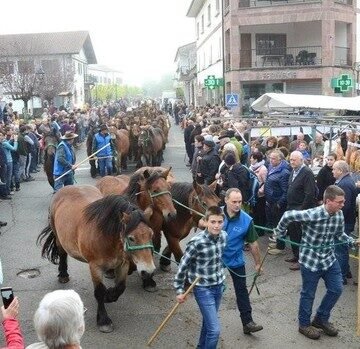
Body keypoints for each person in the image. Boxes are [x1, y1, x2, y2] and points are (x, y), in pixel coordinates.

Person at [273, 185, 359, 340]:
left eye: (343, 202)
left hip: (328, 259)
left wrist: (352, 242)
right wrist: (279, 233)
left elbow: (339, 235)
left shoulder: (339, 215)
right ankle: (304, 324)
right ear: (328, 201)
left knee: (337, 289)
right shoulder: (312, 214)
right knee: (308, 294)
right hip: (310, 261)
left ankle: (320, 319)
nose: (343, 205)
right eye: (339, 202)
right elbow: (287, 215)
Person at [174, 206, 227, 349]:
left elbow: (219, 260)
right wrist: (179, 290)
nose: (216, 226)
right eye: (213, 222)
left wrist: (222, 278)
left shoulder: (224, 237)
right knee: (215, 330)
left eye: (220, 222)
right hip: (202, 289)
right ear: (206, 221)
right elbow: (182, 267)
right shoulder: (196, 242)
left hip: (218, 286)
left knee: (208, 324)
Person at [222, 188, 263, 335]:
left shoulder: (246, 220)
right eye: (234, 202)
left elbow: (253, 243)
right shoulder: (216, 214)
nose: (238, 205)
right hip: (217, 258)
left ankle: (248, 322)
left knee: (242, 290)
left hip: (235, 259)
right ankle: (209, 320)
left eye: (240, 202)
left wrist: (258, 264)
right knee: (212, 289)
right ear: (226, 200)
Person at [332, 160, 357, 284]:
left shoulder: (344, 184)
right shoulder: (346, 181)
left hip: (344, 223)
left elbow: (344, 207)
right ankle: (346, 271)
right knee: (343, 248)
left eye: (334, 169)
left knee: (340, 250)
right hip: (347, 221)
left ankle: (341, 277)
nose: (332, 171)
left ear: (340, 171)